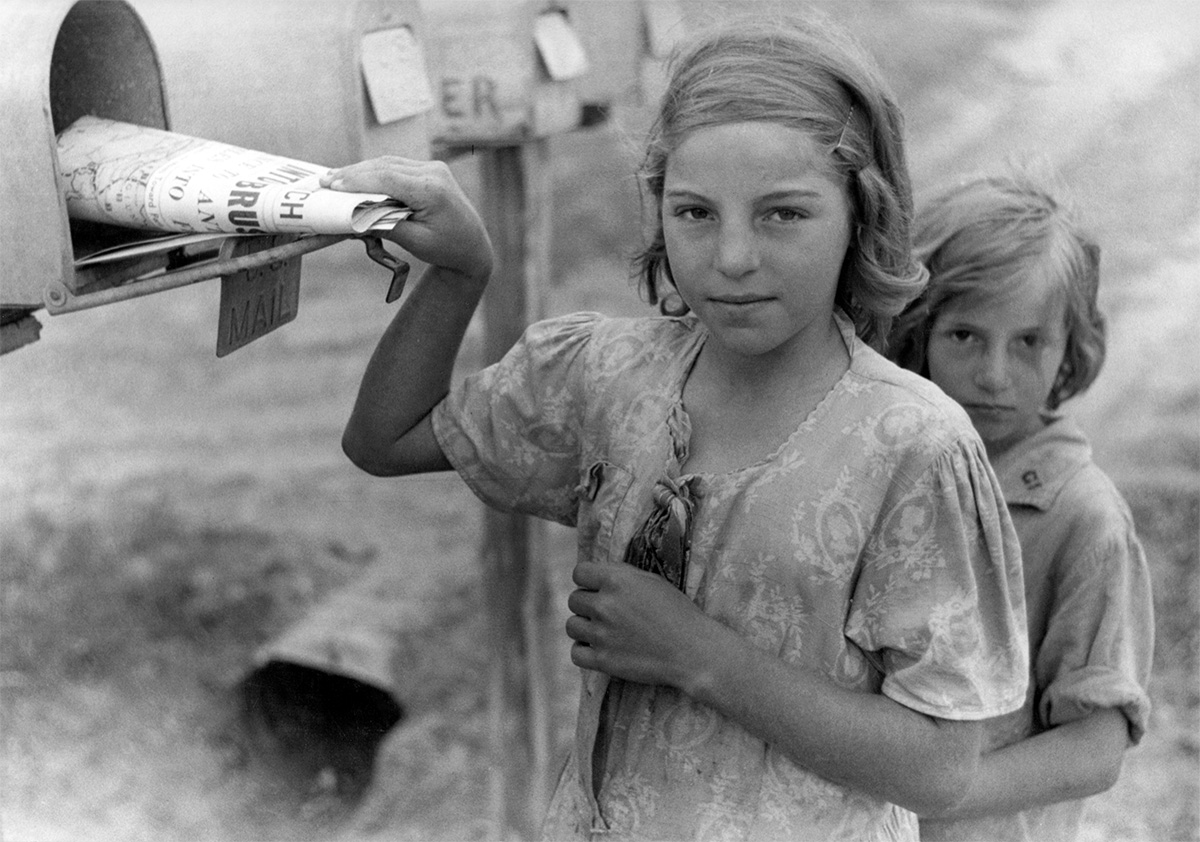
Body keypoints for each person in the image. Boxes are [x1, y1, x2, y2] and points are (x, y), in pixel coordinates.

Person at [325, 13, 1030, 841]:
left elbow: (941, 770)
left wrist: (698, 655)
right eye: (695, 212)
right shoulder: (608, 373)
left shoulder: (913, 447)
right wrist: (460, 269)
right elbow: (385, 438)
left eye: (783, 215)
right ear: (657, 208)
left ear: (861, 213)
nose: (732, 256)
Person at [888, 167, 1154, 842]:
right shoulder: (884, 465)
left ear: (1070, 353)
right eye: (965, 336)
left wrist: (941, 791)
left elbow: (1095, 748)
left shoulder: (1084, 519)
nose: (994, 375)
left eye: (1029, 342)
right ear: (920, 332)